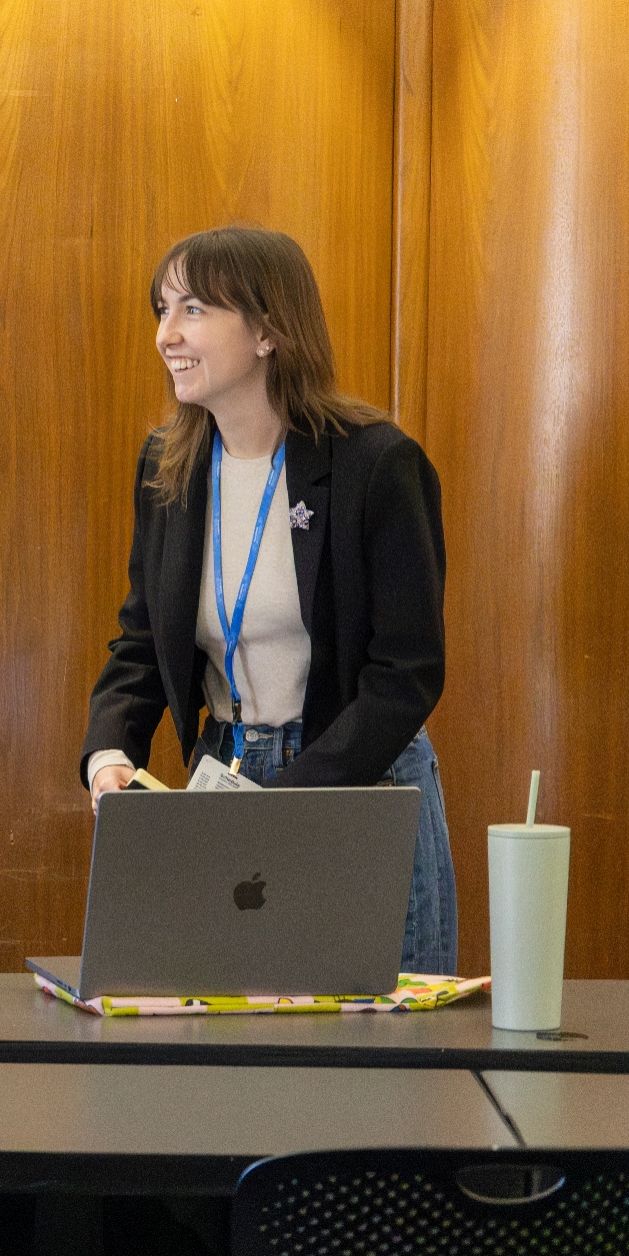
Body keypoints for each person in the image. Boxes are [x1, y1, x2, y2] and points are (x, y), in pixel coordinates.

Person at [81, 226, 457, 976]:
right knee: (225, 1052)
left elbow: (406, 674)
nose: (167, 334)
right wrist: (109, 751)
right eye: (162, 308)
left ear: (269, 329)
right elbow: (140, 642)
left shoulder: (377, 465)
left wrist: (288, 801)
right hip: (222, 773)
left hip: (356, 783)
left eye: (193, 308)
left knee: (374, 1063)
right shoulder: (169, 468)